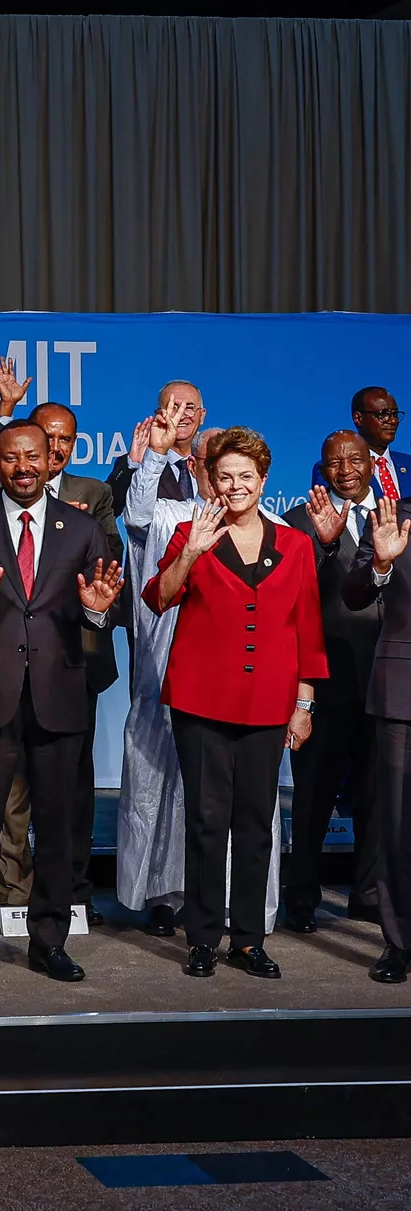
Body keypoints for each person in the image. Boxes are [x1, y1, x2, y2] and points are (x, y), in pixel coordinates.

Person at [0, 420, 124, 984]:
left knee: (59, 826)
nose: (23, 468)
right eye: (12, 458)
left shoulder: (83, 527)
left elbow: (106, 606)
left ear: (51, 461)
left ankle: (49, 941)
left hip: (59, 694)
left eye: (33, 458)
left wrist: (95, 611)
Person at [144, 427, 326, 979]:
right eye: (225, 477)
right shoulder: (189, 532)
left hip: (271, 705)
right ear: (211, 481)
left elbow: (307, 630)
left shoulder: (294, 544)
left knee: (256, 825)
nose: (236, 486)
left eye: (246, 477)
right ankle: (202, 937)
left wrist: (305, 704)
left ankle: (248, 940)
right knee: (205, 821)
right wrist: (191, 552)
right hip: (202, 702)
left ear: (263, 481)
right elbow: (159, 597)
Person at [0, 376, 123, 925]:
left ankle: (72, 894)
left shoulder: (93, 496)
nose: (53, 451)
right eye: (45, 440)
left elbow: (107, 563)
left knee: (70, 789)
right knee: (9, 790)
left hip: (72, 661)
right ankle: (14, 891)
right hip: (6, 663)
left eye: (64, 441)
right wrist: (4, 414)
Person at [117, 422, 228, 937]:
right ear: (197, 467)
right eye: (213, 464)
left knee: (224, 791)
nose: (225, 477)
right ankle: (164, 893)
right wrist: (155, 457)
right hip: (168, 668)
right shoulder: (171, 515)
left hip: (235, 680)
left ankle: (227, 897)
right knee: (161, 785)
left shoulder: (267, 524)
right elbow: (135, 513)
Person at [284, 432, 384, 931]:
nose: (345, 468)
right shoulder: (300, 522)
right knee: (312, 800)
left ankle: (367, 897)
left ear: (372, 462)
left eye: (354, 458)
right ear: (320, 468)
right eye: (333, 461)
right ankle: (301, 898)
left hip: (386, 681)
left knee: (377, 797)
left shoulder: (396, 517)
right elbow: (294, 597)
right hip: (324, 681)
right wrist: (325, 547)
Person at [346, 494, 411, 983]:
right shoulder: (394, 516)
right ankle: (399, 943)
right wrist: (383, 566)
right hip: (402, 697)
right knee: (397, 825)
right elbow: (354, 593)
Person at [106, 380, 205, 509]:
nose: (181, 416)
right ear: (159, 414)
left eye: (189, 408)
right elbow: (109, 508)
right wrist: (133, 465)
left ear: (202, 416)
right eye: (173, 408)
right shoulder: (139, 461)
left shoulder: (216, 462)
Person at [314, 387, 409, 503]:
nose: (393, 421)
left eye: (394, 414)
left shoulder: (407, 463)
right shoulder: (335, 469)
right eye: (383, 414)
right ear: (358, 418)